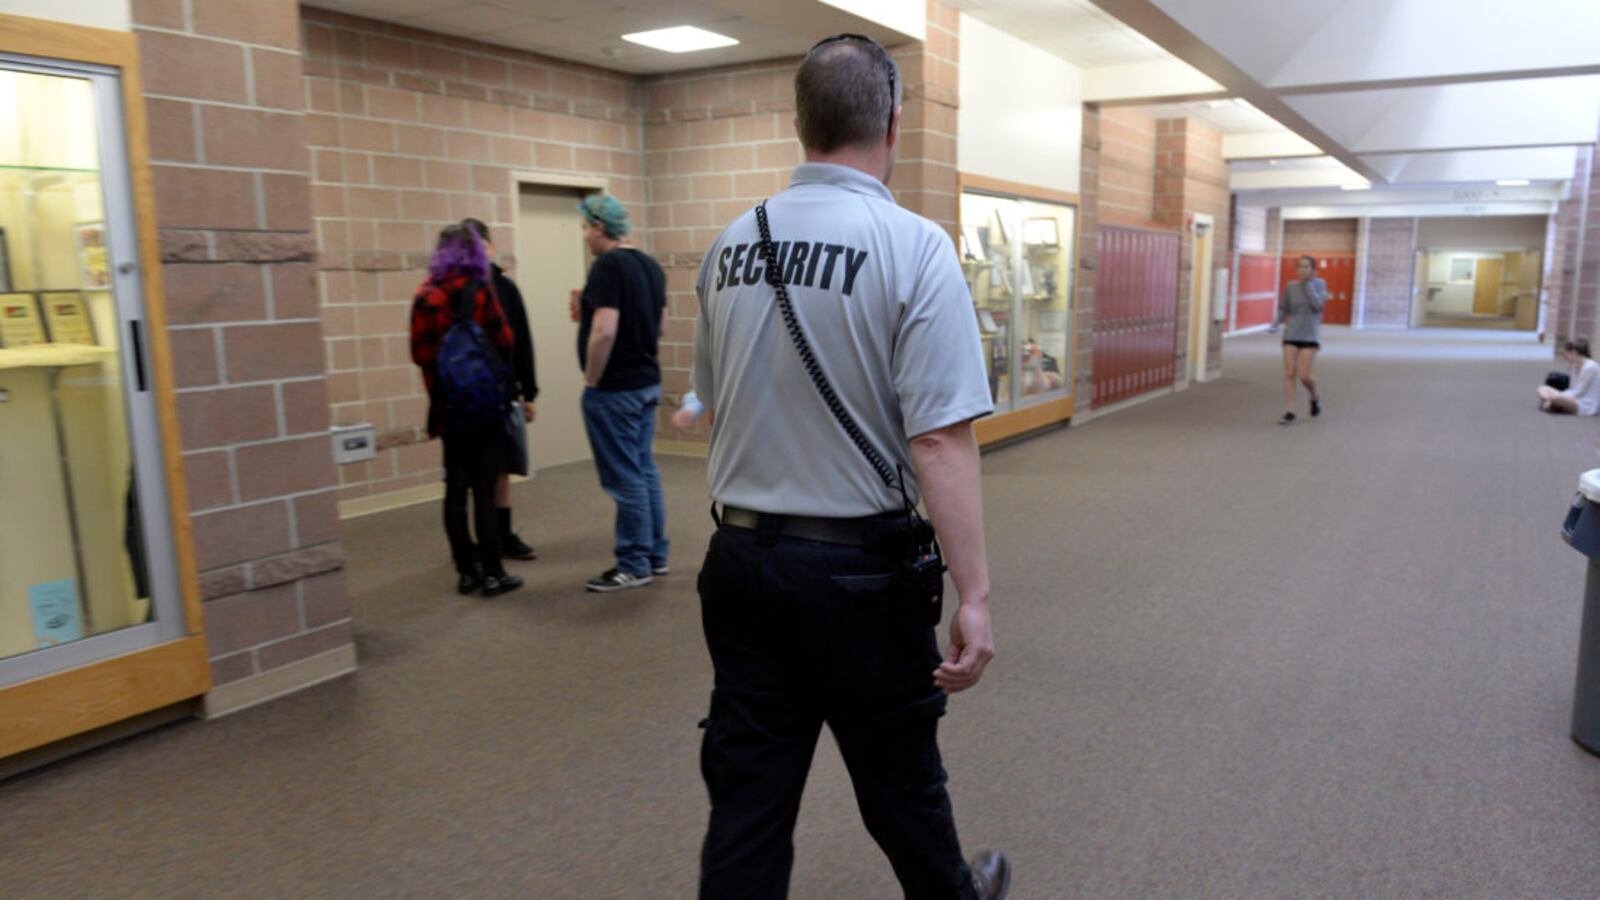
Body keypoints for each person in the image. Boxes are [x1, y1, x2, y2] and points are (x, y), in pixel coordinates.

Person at [689, 34, 1009, 900]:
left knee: (748, 802)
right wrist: (973, 596)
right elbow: (938, 440)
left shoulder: (728, 246)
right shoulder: (914, 246)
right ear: (895, 122)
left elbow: (716, 403)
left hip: (742, 563)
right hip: (860, 577)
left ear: (799, 123)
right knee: (901, 783)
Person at [409, 225, 524, 597]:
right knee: (485, 491)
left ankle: (466, 572)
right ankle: (493, 572)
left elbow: (419, 355)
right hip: (484, 409)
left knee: (455, 490)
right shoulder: (481, 292)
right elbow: (506, 342)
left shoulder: (425, 295)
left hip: (447, 409)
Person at [574, 193, 669, 592]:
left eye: (584, 228)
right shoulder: (650, 265)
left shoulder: (607, 265)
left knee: (625, 477)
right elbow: (659, 325)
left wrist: (593, 380)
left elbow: (606, 329)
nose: (584, 238)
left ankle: (633, 563)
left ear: (599, 226)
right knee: (644, 470)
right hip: (647, 381)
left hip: (615, 388)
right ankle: (655, 555)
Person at [461, 217, 539, 561]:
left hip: (501, 392)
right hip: (468, 396)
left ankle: (503, 536)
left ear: (490, 247)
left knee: (501, 469)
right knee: (474, 475)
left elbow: (522, 342)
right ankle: (484, 542)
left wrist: (529, 392)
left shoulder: (505, 288)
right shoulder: (457, 288)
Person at [1276, 254, 1326, 425]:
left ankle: (1314, 396)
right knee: (1289, 373)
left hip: (1310, 335)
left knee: (1304, 376)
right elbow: (1284, 308)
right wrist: (1276, 323)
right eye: (1300, 266)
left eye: (1306, 266)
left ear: (1313, 269)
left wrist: (1309, 286)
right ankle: (1290, 411)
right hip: (1291, 334)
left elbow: (1318, 306)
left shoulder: (1319, 284)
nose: (1302, 270)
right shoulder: (1291, 286)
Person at [1538, 339, 1600, 415]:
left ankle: (1551, 402)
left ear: (1573, 353)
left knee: (1558, 398)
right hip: (1573, 396)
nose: (1565, 358)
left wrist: (1558, 396)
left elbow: (1579, 392)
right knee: (1542, 388)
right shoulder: (1574, 365)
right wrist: (1559, 395)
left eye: (1566, 355)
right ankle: (1552, 402)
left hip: (1585, 403)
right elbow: (1572, 388)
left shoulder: (1590, 367)